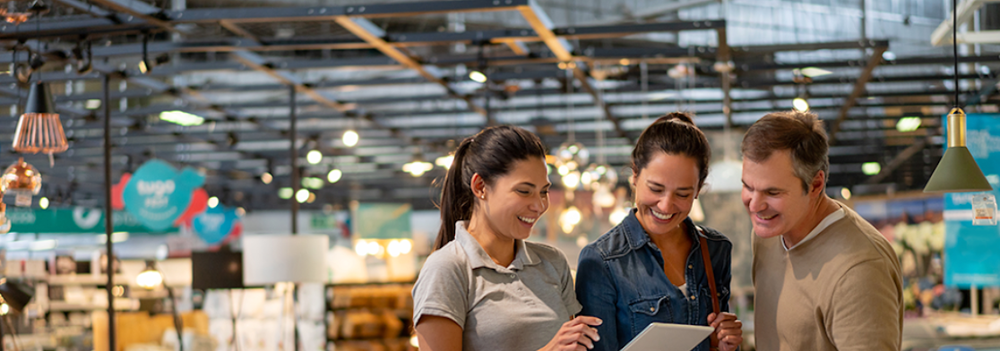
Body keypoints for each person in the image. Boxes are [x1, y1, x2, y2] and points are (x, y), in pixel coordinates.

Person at [412, 125, 602, 351]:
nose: (539, 205)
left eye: (544, 191)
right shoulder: (447, 269)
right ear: (480, 186)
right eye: (524, 191)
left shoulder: (552, 262)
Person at [576, 113, 743, 351]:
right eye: (656, 188)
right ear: (634, 174)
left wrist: (724, 344)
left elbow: (716, 342)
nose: (665, 205)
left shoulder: (715, 249)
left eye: (683, 194)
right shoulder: (602, 261)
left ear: (698, 190)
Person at [741, 110, 903, 351]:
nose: (754, 205)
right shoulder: (768, 235)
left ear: (816, 184)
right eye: (747, 186)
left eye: (773, 192)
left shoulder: (859, 270)